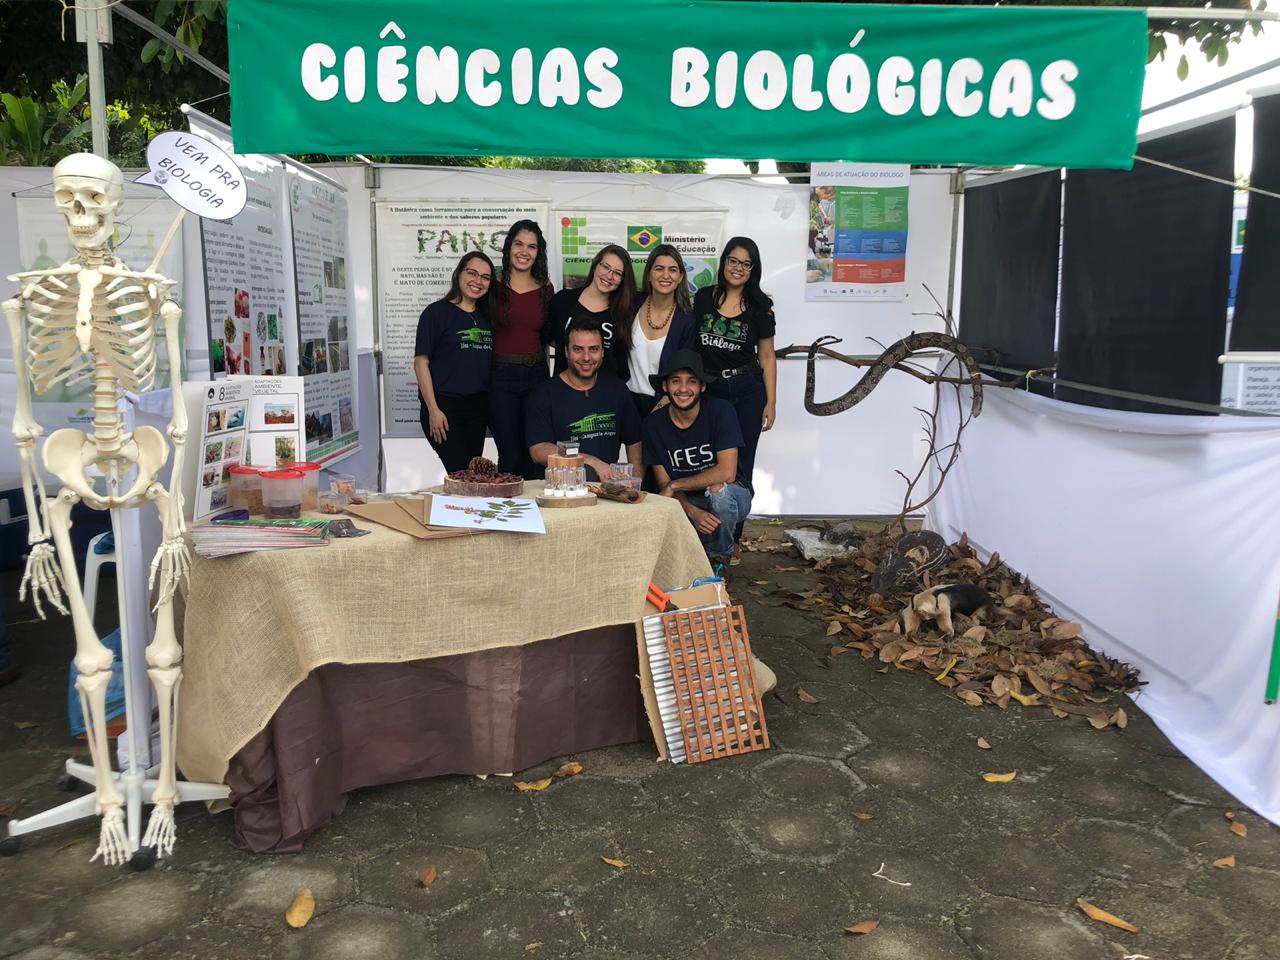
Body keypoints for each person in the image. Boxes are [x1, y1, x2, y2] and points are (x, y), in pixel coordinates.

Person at [692, 237, 777, 561]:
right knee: (708, 461)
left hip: (746, 391)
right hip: (710, 390)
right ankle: (707, 531)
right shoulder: (703, 298)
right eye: (733, 260)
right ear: (724, 262)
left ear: (753, 269)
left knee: (741, 465)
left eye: (746, 263)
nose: (738, 268)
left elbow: (766, 357)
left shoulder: (760, 308)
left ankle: (734, 537)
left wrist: (771, 402)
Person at [642, 349, 752, 565]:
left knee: (718, 491)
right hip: (687, 500)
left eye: (691, 381)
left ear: (702, 386)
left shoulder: (721, 411)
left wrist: (675, 485)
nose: (683, 389)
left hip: (732, 495)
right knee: (660, 506)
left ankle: (719, 559)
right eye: (676, 381)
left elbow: (727, 473)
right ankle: (702, 552)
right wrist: (693, 512)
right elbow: (664, 483)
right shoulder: (652, 425)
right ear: (665, 386)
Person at [527, 318, 641, 482]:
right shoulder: (544, 393)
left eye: (593, 349)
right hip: (561, 489)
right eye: (578, 349)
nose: (586, 357)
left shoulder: (617, 390)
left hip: (607, 490)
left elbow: (634, 442)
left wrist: (634, 485)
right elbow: (539, 450)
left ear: (602, 352)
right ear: (566, 351)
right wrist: (588, 460)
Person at [413, 251, 495, 474]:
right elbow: (420, 363)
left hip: (477, 409)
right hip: (445, 408)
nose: (478, 281)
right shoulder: (436, 313)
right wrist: (433, 410)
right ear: (458, 274)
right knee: (461, 474)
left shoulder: (486, 318)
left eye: (485, 277)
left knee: (473, 474)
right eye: (472, 273)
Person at [489, 220, 553, 479]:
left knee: (536, 453)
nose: (524, 251)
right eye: (519, 244)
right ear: (508, 247)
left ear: (538, 253)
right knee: (510, 455)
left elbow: (549, 335)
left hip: (537, 375)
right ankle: (509, 503)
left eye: (532, 247)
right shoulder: (491, 286)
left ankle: (536, 504)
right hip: (500, 377)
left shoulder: (546, 289)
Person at [625, 244, 697, 421]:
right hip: (626, 401)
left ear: (680, 277)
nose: (666, 275)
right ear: (649, 274)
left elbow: (684, 374)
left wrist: (657, 413)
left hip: (665, 405)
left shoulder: (687, 321)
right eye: (659, 269)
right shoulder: (631, 305)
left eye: (672, 270)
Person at [549, 244, 634, 381]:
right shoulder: (562, 301)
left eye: (617, 273)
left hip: (606, 390)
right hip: (564, 389)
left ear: (623, 280)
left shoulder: (623, 313)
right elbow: (549, 340)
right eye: (605, 267)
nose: (609, 276)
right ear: (595, 266)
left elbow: (620, 361)